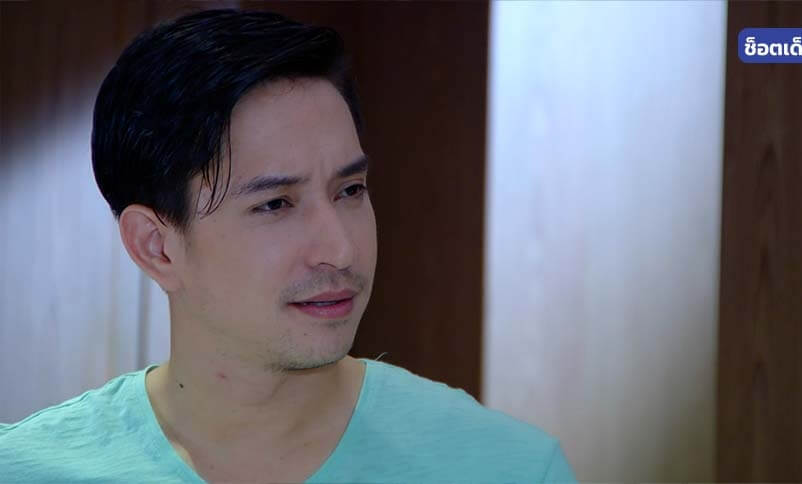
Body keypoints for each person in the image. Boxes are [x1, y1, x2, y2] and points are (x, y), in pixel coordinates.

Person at [0, 8, 576, 483]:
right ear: (157, 247)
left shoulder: (509, 469)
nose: (340, 250)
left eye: (350, 190)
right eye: (276, 204)